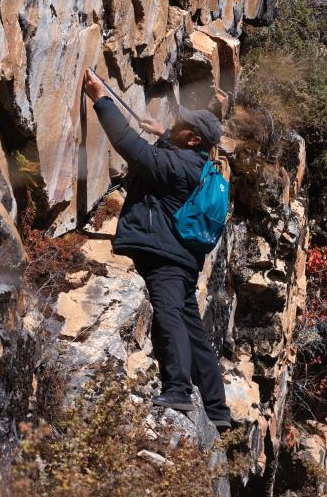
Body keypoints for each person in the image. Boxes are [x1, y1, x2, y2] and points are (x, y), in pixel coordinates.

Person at [82, 69, 233, 429]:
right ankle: (217, 409)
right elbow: (172, 152)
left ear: (192, 139)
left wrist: (101, 99)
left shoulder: (176, 166)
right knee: (191, 326)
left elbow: (130, 146)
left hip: (165, 259)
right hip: (184, 258)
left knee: (168, 315)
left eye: (181, 126)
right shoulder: (197, 164)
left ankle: (178, 389)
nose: (175, 125)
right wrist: (164, 133)